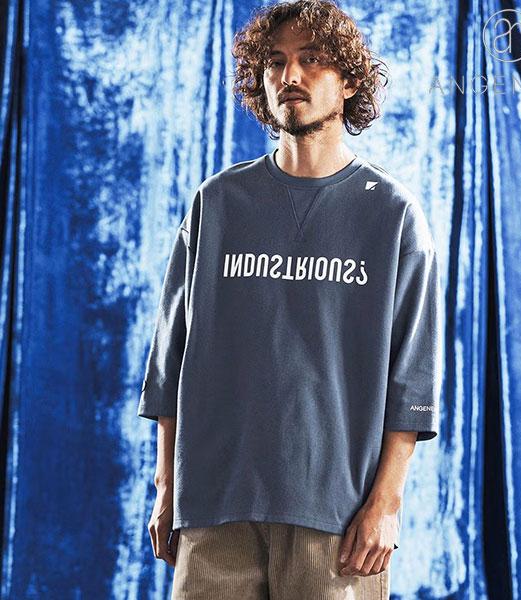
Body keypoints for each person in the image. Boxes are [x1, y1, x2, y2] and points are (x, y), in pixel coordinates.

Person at [137, 1, 443, 598]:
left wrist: (386, 503)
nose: (290, 76)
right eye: (275, 62)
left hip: (337, 519)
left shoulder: (392, 215)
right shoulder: (217, 203)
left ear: (349, 81)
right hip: (215, 506)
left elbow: (413, 381)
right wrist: (166, 486)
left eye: (311, 59)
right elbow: (169, 361)